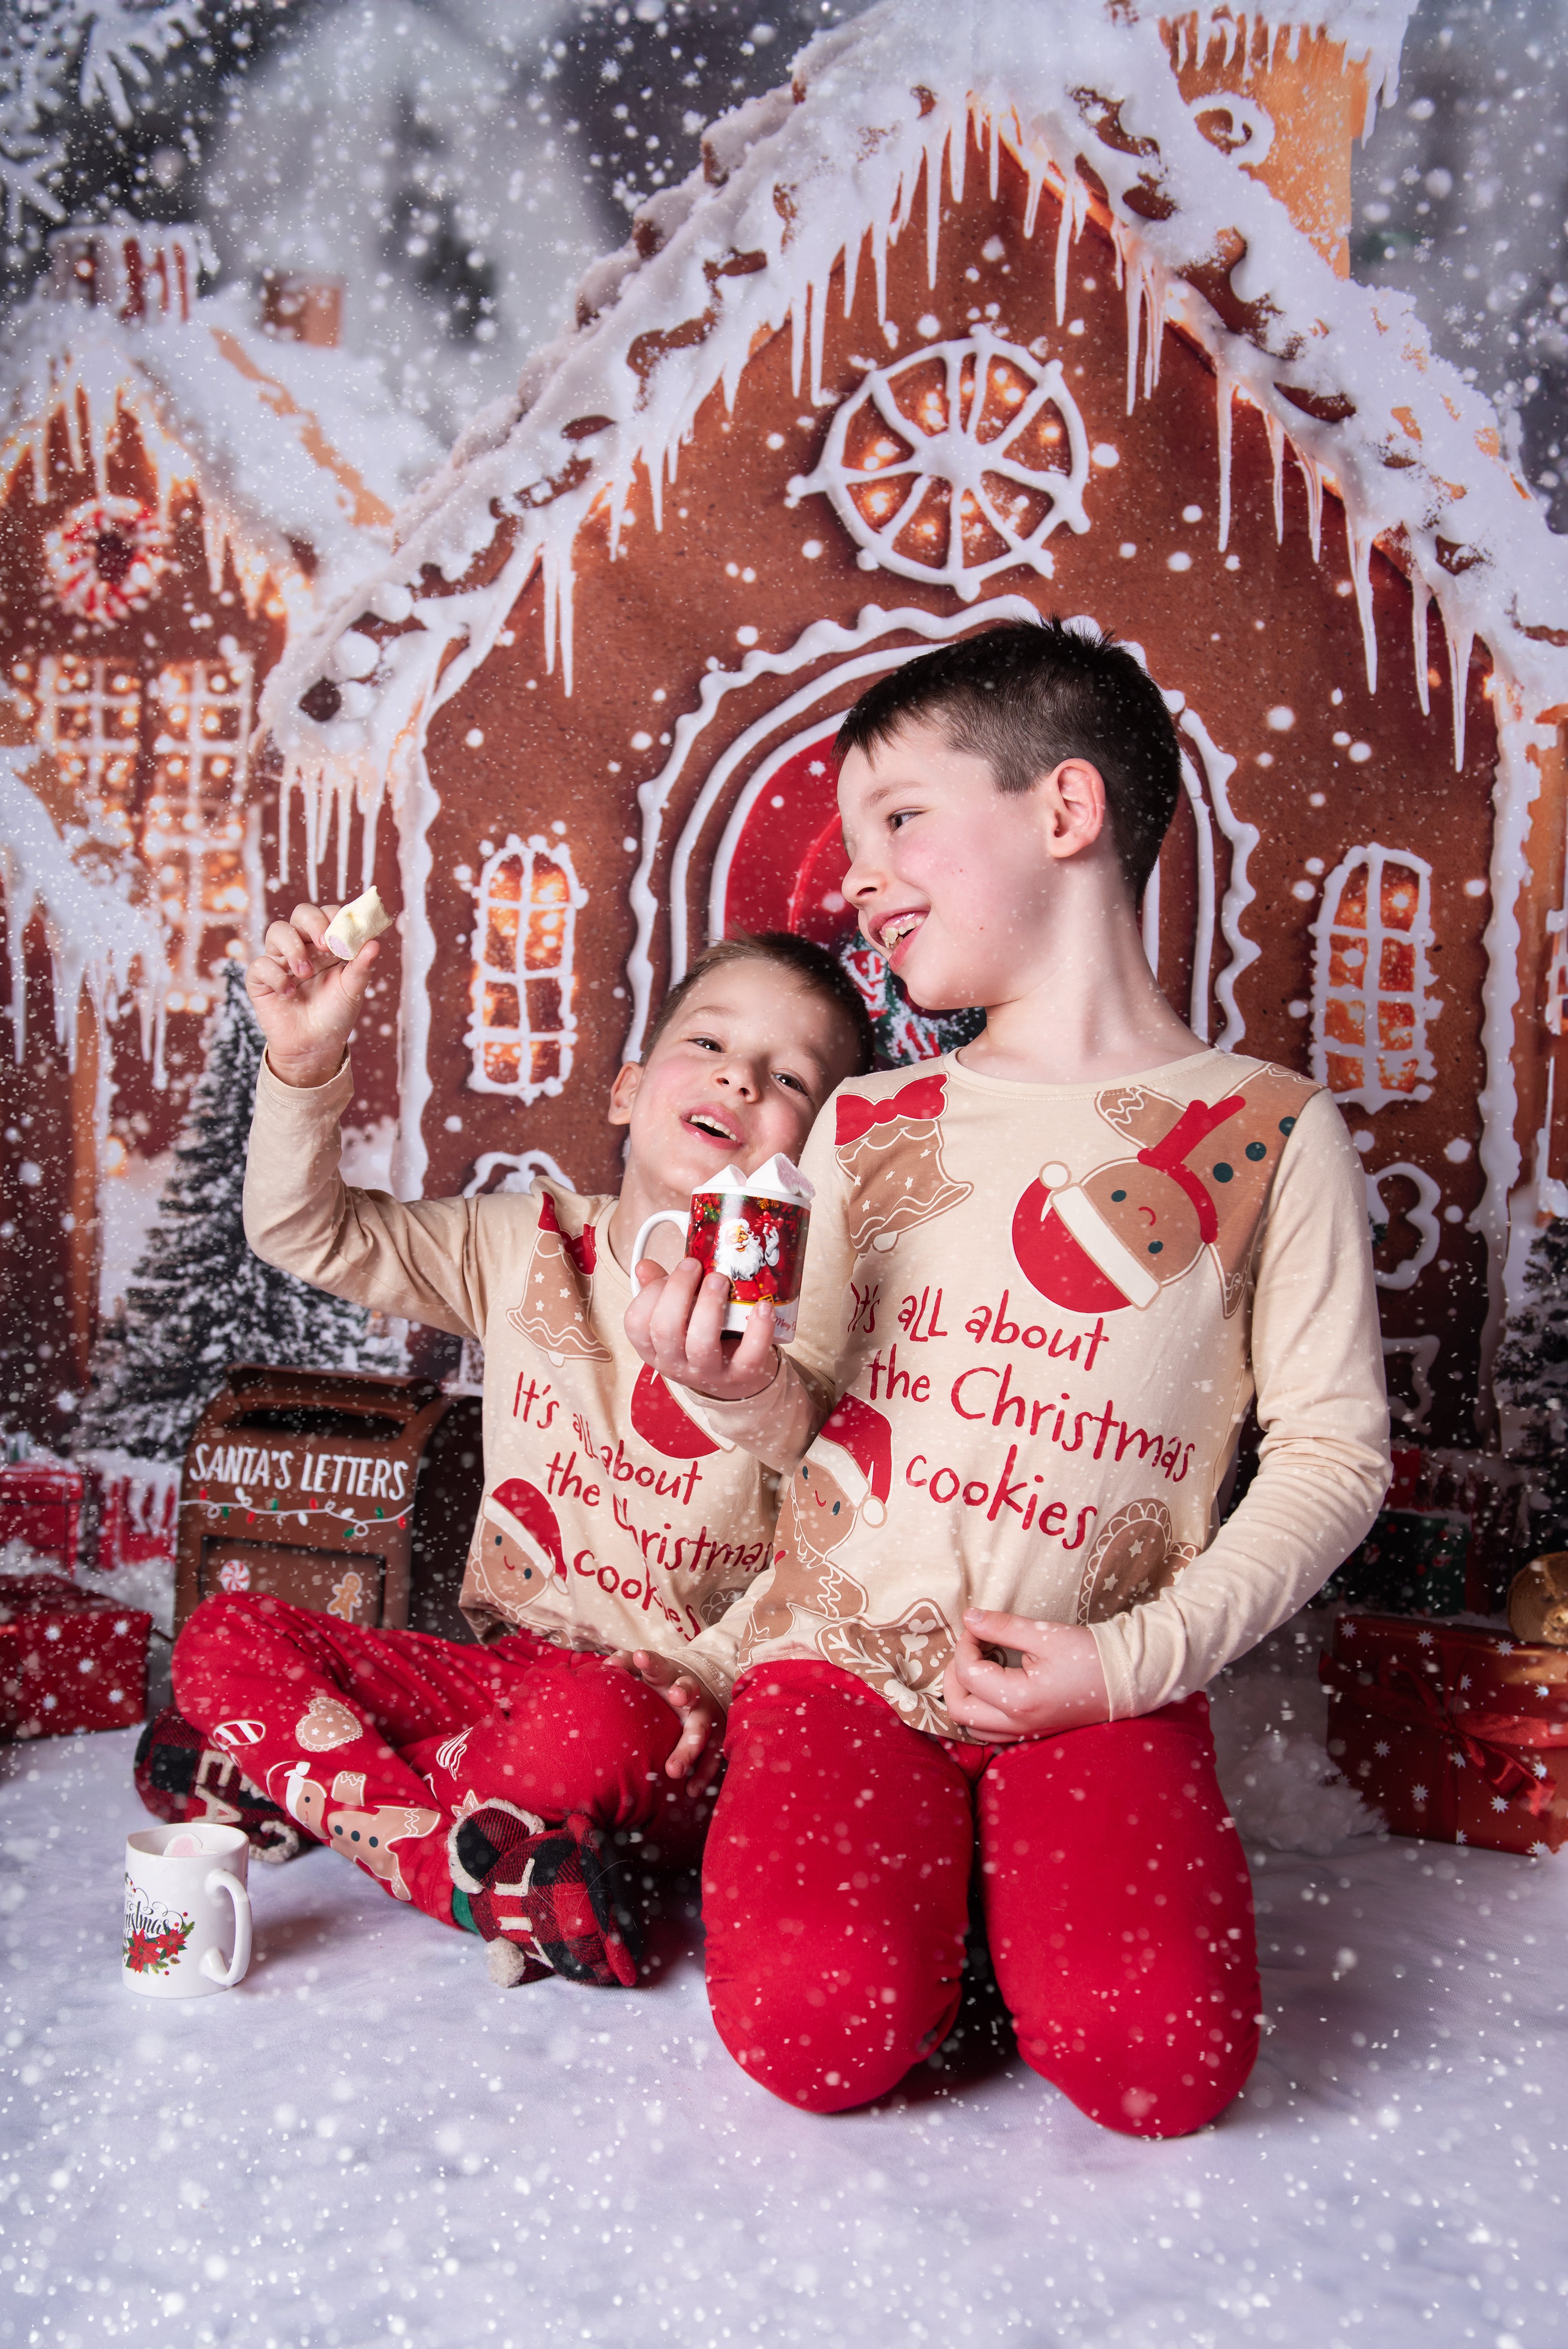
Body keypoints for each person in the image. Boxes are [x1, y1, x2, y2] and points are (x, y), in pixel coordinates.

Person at [628, 619, 1390, 2130]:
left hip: (1099, 1680)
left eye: (897, 818)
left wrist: (1134, 1663)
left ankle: (995, 1900)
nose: (857, 873)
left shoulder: (1273, 1133)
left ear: (1064, 811)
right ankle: (916, 1901)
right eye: (852, 839)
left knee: (1160, 2067)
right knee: (817, 2031)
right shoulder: (863, 1124)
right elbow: (811, 1422)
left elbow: (1331, 1456)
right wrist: (733, 1386)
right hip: (843, 1660)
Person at [135, 922, 872, 1989]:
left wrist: (701, 1679)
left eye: (789, 1075)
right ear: (625, 1091)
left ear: (815, 1164)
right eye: (709, 1042)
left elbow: (838, 1556)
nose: (739, 1077)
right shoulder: (520, 1244)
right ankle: (484, 1874)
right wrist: (300, 1066)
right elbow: (307, 1232)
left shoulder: (813, 1333)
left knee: (591, 1736)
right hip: (496, 1675)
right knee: (221, 1634)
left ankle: (290, 1778)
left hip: (657, 1717)